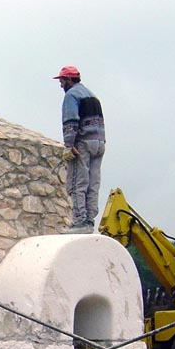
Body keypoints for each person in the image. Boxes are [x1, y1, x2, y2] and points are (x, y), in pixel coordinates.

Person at [53, 65, 106, 234]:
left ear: (69, 80)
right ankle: (90, 220)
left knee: (77, 183)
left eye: (62, 81)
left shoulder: (72, 95)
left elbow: (71, 120)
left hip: (82, 143)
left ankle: (79, 220)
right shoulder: (92, 96)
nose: (61, 85)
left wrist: (69, 145)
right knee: (93, 183)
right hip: (99, 142)